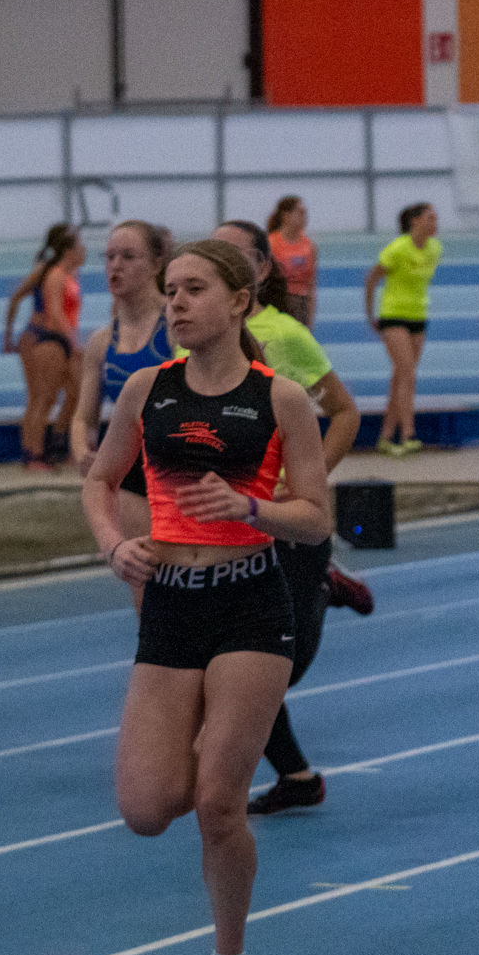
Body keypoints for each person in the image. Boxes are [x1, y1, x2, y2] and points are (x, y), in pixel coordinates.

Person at [82, 239, 333, 955]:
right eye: (171, 292)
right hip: (170, 604)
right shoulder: (148, 389)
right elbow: (99, 479)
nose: (177, 304)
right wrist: (114, 546)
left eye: (193, 289)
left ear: (238, 300)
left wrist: (250, 507)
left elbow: (317, 517)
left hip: (249, 603)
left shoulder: (280, 398)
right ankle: (209, 735)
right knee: (148, 807)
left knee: (220, 803)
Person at [215, 220, 367, 816]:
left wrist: (306, 482)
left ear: (259, 270)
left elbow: (345, 412)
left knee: (279, 672)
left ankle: (322, 584)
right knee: (236, 663)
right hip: (226, 528)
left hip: (287, 528)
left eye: (230, 254)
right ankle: (297, 777)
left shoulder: (284, 335)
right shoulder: (191, 342)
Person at [70, 221, 174, 560]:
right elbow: (84, 416)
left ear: (156, 264)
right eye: (110, 257)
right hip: (131, 464)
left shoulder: (176, 326)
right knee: (144, 571)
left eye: (128, 257)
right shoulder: (101, 342)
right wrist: (82, 453)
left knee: (184, 570)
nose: (116, 266)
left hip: (179, 462)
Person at [3, 223, 85, 469]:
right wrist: (8, 336)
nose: (84, 248)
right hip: (43, 337)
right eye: (79, 244)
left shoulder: (68, 274)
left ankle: (57, 441)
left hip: (59, 338)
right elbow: (51, 312)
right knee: (41, 398)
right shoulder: (50, 273)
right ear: (67, 248)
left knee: (76, 390)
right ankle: (33, 454)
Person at [364, 202, 442, 456]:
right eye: (430, 218)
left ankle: (385, 437)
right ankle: (409, 434)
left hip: (418, 316)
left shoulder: (435, 249)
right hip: (393, 315)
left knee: (400, 378)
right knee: (407, 373)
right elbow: (372, 278)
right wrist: (370, 313)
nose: (435, 223)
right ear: (415, 221)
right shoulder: (397, 249)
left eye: (436, 218)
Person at [266, 195, 318, 327]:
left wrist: (310, 319)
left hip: (302, 305)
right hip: (279, 302)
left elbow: (311, 285)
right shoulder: (271, 243)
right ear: (286, 216)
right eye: (300, 213)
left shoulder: (309, 245)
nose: (304, 217)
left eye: (305, 213)